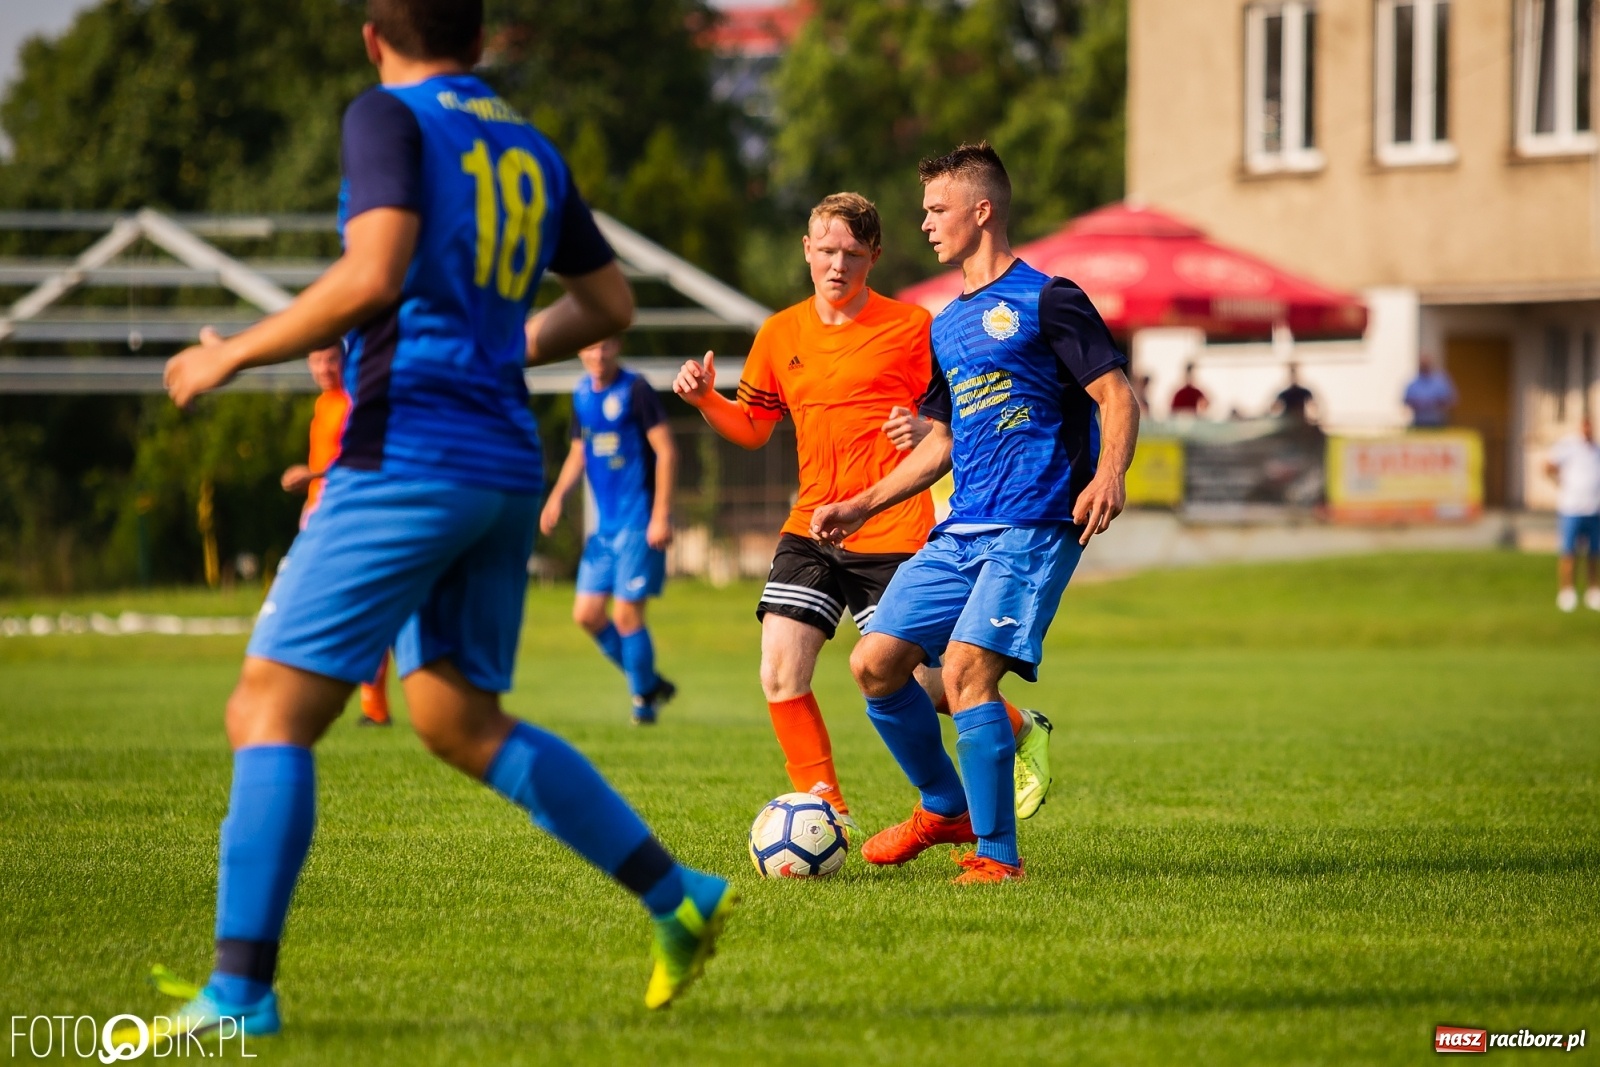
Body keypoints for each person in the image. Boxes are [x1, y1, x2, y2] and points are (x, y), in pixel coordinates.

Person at [128, 0, 735, 1039]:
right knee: (459, 719)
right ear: (482, 39)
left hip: (408, 452)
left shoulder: (386, 116)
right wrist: (503, 351)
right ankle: (676, 894)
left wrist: (230, 353)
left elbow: (373, 274)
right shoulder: (529, 146)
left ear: (374, 36)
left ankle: (239, 992)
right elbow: (610, 306)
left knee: (267, 712)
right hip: (500, 459)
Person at [672, 193, 1055, 833]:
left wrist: (924, 424)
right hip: (813, 526)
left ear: (873, 256)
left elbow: (963, 414)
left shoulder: (913, 327)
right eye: (826, 251)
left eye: (852, 253)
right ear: (807, 250)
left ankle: (1017, 726)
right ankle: (827, 811)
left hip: (892, 528)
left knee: (926, 684)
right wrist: (708, 400)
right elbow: (753, 429)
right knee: (778, 670)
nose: (837, 264)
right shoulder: (779, 333)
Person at [811, 143, 1139, 884]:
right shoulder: (945, 325)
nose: (925, 223)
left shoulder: (1050, 298)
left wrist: (1110, 474)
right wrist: (861, 503)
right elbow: (943, 444)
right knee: (875, 664)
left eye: (936, 208)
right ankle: (942, 808)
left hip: (1035, 523)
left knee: (964, 674)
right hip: (960, 529)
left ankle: (998, 858)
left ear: (980, 210)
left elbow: (1117, 395)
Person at [541, 336, 678, 723]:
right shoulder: (581, 394)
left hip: (638, 522)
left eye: (604, 346)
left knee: (626, 616)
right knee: (586, 614)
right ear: (579, 350)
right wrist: (557, 497)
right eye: (589, 347)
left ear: (616, 346)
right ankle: (649, 681)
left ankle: (644, 702)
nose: (597, 355)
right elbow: (578, 452)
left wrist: (661, 514)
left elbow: (666, 450)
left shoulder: (636, 390)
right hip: (605, 529)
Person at [280, 342, 392, 727]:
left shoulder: (354, 402)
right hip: (319, 516)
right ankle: (357, 703)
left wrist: (310, 477)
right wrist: (310, 499)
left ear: (346, 361)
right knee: (326, 607)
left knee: (354, 609)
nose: (324, 367)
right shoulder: (323, 405)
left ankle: (368, 706)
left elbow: (359, 460)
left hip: (349, 517)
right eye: (316, 360)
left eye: (331, 359)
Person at [1544, 415, 1600, 612]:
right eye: (1585, 426)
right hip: (1571, 508)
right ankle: (1567, 591)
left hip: (1594, 508)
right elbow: (1547, 466)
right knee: (1569, 551)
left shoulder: (1596, 451)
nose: (1588, 430)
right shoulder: (1569, 446)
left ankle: (1594, 590)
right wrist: (1559, 482)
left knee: (1594, 552)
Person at [1403, 356, 1457, 428]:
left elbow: (1450, 399)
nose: (1425, 366)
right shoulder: (1413, 383)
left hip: (1438, 422)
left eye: (1426, 364)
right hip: (1419, 422)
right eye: (1423, 364)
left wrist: (1434, 404)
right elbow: (1407, 400)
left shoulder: (1441, 382)